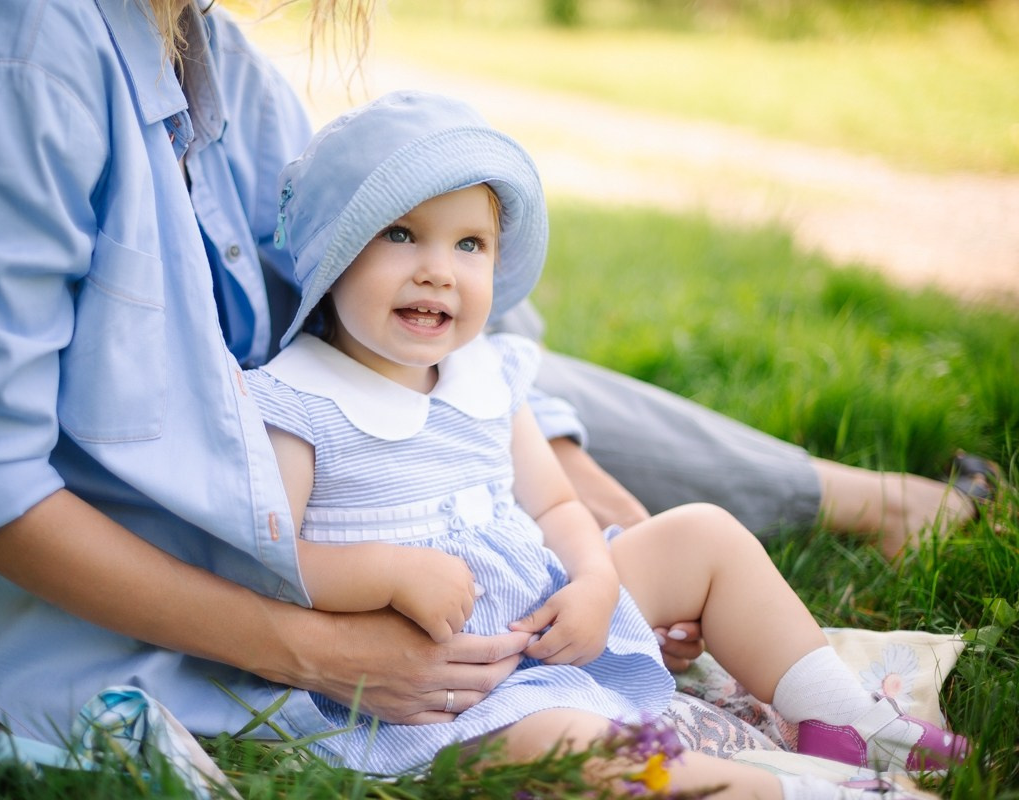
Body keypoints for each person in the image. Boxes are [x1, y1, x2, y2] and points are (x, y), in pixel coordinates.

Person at [0, 0, 976, 753]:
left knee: (492, 369)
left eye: (475, 242)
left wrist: (589, 529)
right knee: (444, 377)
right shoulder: (17, 63)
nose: (438, 262)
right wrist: (318, 650)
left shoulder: (212, 55)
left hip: (440, 549)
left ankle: (862, 580)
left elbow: (419, 309)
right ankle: (866, 520)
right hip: (169, 607)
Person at [244, 89, 968, 798]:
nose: (438, 269)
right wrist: (385, 573)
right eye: (400, 234)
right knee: (568, 748)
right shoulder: (300, 401)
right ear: (333, 254)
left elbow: (557, 505)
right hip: (446, 692)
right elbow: (269, 560)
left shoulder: (484, 374)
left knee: (704, 535)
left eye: (470, 244)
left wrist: (594, 582)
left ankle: (843, 719)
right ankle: (784, 792)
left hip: (544, 615)